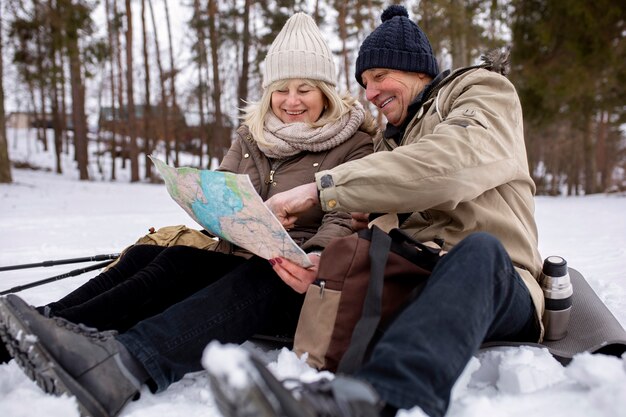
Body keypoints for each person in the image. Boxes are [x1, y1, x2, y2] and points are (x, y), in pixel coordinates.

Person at [0, 12, 378, 417]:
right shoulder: (252, 136)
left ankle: (124, 364)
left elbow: (344, 218)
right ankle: (45, 328)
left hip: (293, 281)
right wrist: (210, 205)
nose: (291, 101)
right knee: (155, 258)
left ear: (325, 92)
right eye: (281, 89)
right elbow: (222, 191)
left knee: (260, 273)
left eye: (304, 89)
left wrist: (308, 252)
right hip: (238, 256)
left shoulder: (355, 144)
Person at [201, 5, 545, 417]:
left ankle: (375, 399)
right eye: (365, 82)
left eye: (380, 77)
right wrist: (326, 268)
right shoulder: (387, 141)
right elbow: (373, 225)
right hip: (414, 273)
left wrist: (321, 189)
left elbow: (450, 165)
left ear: (419, 70)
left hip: (496, 281)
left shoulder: (482, 92)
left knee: (480, 252)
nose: (370, 93)